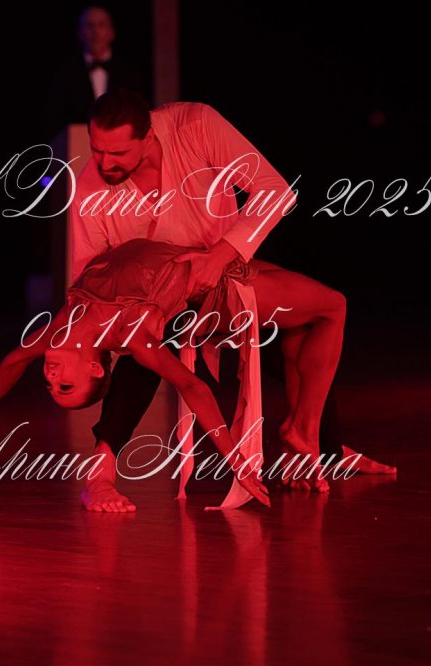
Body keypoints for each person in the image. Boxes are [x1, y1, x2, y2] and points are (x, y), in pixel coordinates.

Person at [65, 89, 395, 512]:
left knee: (305, 323)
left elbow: (274, 191)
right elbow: (90, 276)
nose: (104, 163)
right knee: (143, 352)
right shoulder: (90, 187)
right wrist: (94, 346)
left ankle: (318, 448)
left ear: (147, 136)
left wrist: (219, 255)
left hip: (225, 278)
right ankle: (99, 475)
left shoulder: (194, 126)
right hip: (157, 306)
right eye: (97, 150)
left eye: (117, 153)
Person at [0, 236, 357, 510]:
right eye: (65, 386)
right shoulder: (132, 334)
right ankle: (303, 431)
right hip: (220, 292)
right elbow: (192, 386)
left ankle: (309, 442)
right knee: (332, 306)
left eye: (50, 384)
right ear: (94, 367)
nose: (52, 376)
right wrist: (236, 460)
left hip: (204, 255)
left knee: (303, 320)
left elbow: (14, 360)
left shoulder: (60, 328)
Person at [45, 6, 146, 138]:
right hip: (78, 144)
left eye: (101, 25)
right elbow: (54, 119)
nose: (95, 31)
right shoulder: (65, 74)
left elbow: (138, 113)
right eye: (89, 25)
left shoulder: (129, 73)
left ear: (111, 32)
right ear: (79, 33)